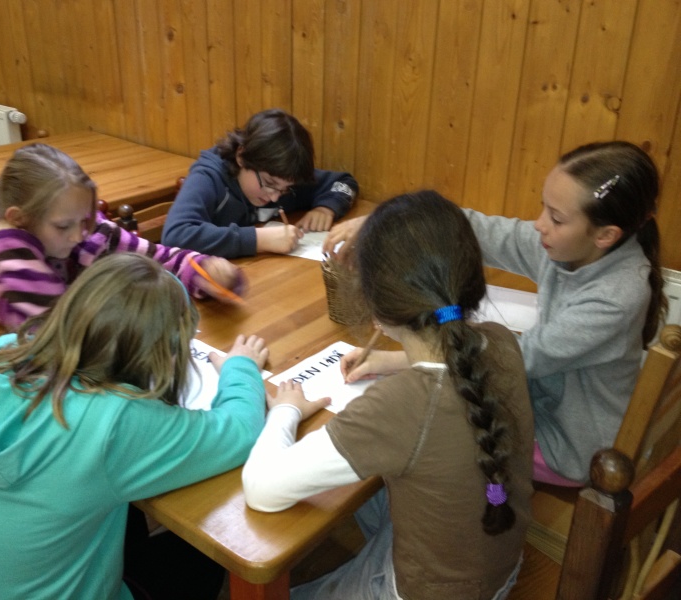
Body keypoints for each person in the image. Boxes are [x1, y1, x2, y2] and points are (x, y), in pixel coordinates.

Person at [0, 253, 269, 600]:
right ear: (166, 353)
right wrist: (240, 367)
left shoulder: (2, 352)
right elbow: (240, 431)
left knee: (116, 507)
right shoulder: (116, 420)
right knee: (203, 557)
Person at [323, 141, 667, 485]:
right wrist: (385, 223)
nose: (539, 224)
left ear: (606, 235)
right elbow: (475, 229)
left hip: (569, 448)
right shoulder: (575, 246)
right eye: (544, 207)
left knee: (418, 438)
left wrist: (400, 360)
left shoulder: (615, 299)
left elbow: (514, 358)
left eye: (556, 218)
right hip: (539, 403)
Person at [243, 192, 534, 599]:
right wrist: (394, 360)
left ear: (375, 305)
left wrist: (285, 411)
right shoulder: (502, 341)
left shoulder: (399, 406)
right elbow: (454, 368)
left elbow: (261, 489)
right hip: (495, 563)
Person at [0, 143, 245, 331]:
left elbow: (157, 258)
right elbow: (46, 328)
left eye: (84, 219)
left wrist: (203, 270)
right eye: (63, 226)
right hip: (27, 384)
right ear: (18, 219)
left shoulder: (87, 231)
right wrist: (11, 239)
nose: (77, 236)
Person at [161, 108, 359, 258]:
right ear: (241, 156)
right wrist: (257, 240)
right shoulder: (208, 178)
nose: (274, 196)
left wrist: (326, 208)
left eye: (285, 189)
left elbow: (345, 182)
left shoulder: (283, 176)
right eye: (269, 183)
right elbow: (175, 235)